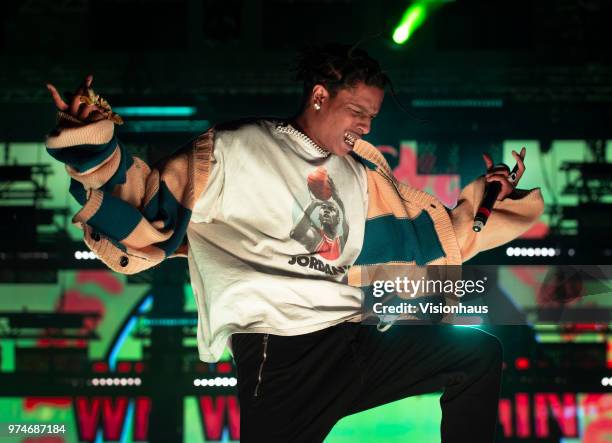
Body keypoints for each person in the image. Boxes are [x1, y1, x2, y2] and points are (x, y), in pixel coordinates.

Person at [45, 44, 544, 442]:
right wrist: (93, 146)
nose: (366, 126)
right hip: (280, 355)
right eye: (356, 111)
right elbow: (153, 204)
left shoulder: (359, 174)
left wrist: (490, 198)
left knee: (477, 356)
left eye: (371, 116)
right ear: (320, 96)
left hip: (354, 341)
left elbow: (437, 235)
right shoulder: (235, 150)